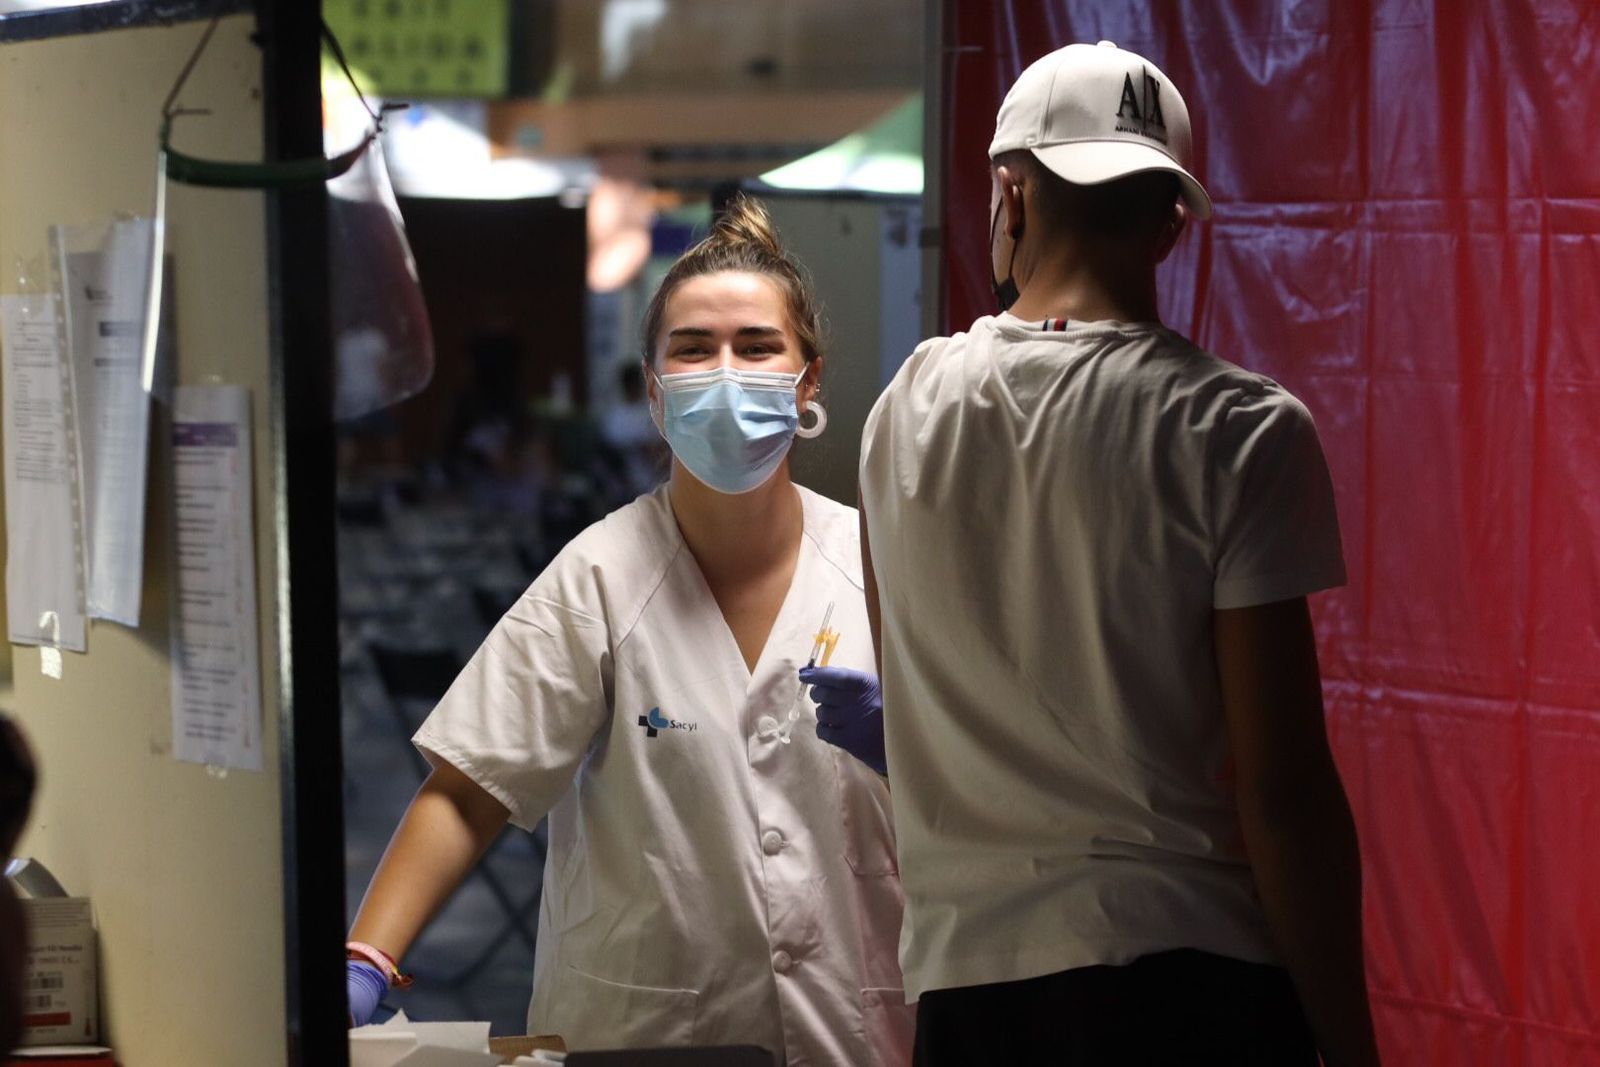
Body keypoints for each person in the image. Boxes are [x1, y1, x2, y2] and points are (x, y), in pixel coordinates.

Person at [857, 41, 1381, 1066]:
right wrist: (1351, 1043)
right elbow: (1282, 791)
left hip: (971, 990)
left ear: (1008, 196)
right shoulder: (1239, 429)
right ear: (1169, 224)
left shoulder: (903, 410)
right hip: (1194, 987)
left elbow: (901, 686)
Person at [347, 196, 913, 1065]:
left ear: (808, 382)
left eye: (757, 346)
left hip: (854, 1026)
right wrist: (366, 956)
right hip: (647, 1037)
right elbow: (471, 787)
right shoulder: (602, 575)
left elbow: (989, 803)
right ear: (654, 390)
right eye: (693, 349)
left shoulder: (882, 567)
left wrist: (913, 752)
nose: (725, 373)